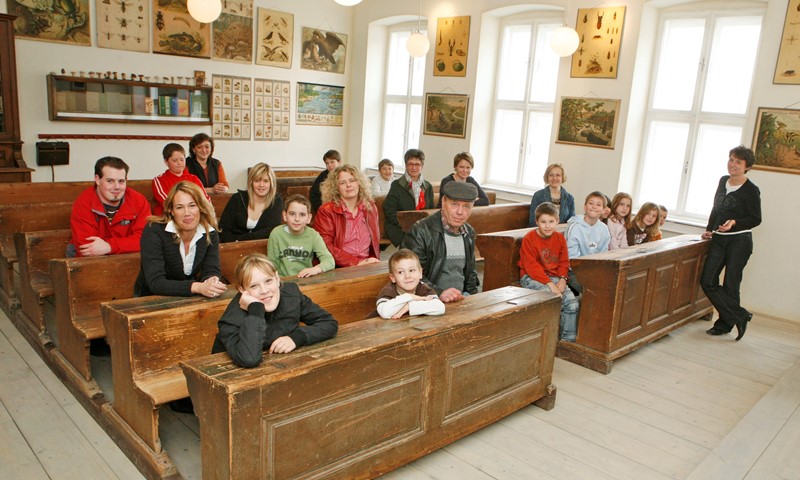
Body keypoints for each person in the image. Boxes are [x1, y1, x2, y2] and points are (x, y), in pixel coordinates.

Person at [211, 254, 339, 368]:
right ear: (242, 289)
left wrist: (296, 338)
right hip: (229, 379)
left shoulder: (291, 294)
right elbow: (249, 358)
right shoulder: (232, 318)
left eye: (268, 281)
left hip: (278, 368)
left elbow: (328, 322)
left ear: (277, 278)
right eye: (254, 286)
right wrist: (255, 309)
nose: (264, 290)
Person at [701, 146, 761, 341]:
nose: (733, 164)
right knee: (708, 281)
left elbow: (756, 218)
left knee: (731, 284)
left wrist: (735, 223)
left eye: (738, 162)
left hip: (739, 242)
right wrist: (710, 228)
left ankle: (724, 324)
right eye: (731, 159)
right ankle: (740, 315)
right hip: (719, 239)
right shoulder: (722, 181)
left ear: (747, 167)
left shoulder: (751, 190)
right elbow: (715, 207)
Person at [134, 181, 226, 298]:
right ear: (171, 211)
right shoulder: (154, 231)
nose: (187, 213)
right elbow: (156, 283)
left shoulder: (209, 232)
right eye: (179, 207)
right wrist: (198, 287)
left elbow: (211, 270)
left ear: (201, 208)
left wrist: (212, 281)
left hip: (188, 297)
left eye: (192, 205)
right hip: (149, 299)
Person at [402, 181, 479, 303]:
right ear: (443, 202)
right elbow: (409, 275)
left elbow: (470, 274)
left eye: (466, 206)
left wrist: (474, 299)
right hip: (429, 299)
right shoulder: (421, 231)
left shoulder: (468, 232)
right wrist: (438, 293)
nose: (460, 212)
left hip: (461, 298)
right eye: (454, 204)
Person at [519, 202, 580, 342]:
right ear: (537, 222)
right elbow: (531, 266)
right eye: (543, 222)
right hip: (531, 277)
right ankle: (546, 339)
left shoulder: (559, 238)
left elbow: (564, 262)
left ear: (557, 221)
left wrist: (563, 279)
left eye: (551, 221)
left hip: (554, 277)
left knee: (572, 303)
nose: (547, 226)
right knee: (552, 299)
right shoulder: (530, 238)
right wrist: (550, 285)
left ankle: (567, 341)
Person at [67, 156, 151, 257]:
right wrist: (128, 244)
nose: (117, 187)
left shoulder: (139, 201)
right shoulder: (83, 204)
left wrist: (109, 246)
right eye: (110, 181)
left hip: (127, 258)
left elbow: (147, 240)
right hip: (88, 262)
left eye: (121, 181)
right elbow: (86, 248)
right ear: (97, 180)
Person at [313, 165, 382, 267]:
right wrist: (356, 262)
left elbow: (374, 243)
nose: (348, 185)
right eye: (342, 183)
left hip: (367, 264)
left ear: (359, 183)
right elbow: (325, 247)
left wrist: (371, 261)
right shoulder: (326, 211)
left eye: (352, 180)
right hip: (337, 267)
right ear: (336, 188)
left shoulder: (370, 208)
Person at [267, 194, 334, 278]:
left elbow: (329, 261)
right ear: (285, 215)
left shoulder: (313, 235)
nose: (297, 219)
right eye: (292, 214)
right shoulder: (276, 233)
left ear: (308, 218)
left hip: (305, 280)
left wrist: (314, 269)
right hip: (284, 281)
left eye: (302, 215)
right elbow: (272, 265)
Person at [218, 162, 283, 242]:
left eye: (266, 181)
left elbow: (271, 230)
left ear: (271, 183)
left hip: (262, 248)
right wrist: (235, 243)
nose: (261, 185)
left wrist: (241, 239)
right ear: (251, 182)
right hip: (233, 245)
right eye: (257, 181)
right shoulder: (237, 199)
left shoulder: (276, 201)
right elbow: (223, 229)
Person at [372, 248, 445, 320]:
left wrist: (409, 306)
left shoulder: (423, 287)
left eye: (411, 270)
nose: (407, 276)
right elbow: (385, 313)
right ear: (393, 278)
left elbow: (440, 308)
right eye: (401, 272)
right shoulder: (388, 291)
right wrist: (410, 297)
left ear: (420, 273)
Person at [383, 149, 435, 247]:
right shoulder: (397, 185)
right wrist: (407, 225)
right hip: (401, 228)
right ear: (406, 165)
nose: (414, 167)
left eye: (417, 164)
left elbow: (431, 211)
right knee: (414, 245)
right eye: (410, 164)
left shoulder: (427, 186)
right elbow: (389, 210)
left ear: (422, 166)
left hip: (422, 228)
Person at [152, 143, 209, 216]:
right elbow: (167, 202)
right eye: (175, 160)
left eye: (182, 159)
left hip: (194, 216)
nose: (179, 163)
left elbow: (205, 198)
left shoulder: (194, 178)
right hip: (168, 218)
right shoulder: (159, 180)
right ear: (166, 162)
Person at [566, 191, 611, 259]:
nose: (594, 206)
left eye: (598, 205)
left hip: (596, 267)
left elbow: (603, 255)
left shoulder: (604, 229)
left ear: (603, 210)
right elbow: (572, 257)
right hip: (575, 267)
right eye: (591, 203)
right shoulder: (574, 227)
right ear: (585, 207)